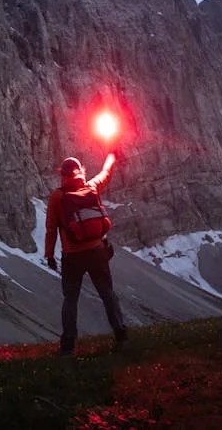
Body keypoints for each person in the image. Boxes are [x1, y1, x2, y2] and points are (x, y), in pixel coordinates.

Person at [45, 152, 128, 356]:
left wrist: (49, 255)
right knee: (107, 293)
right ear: (80, 171)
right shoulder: (91, 187)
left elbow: (51, 228)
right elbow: (105, 173)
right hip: (97, 251)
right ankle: (121, 335)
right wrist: (111, 155)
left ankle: (68, 346)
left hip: (72, 256)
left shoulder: (57, 196)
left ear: (62, 175)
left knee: (70, 298)